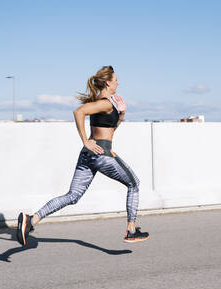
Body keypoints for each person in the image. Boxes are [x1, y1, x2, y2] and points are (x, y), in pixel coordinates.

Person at [16, 65, 149, 246]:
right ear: (108, 82)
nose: (118, 83)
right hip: (101, 153)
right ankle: (131, 230)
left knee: (73, 195)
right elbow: (78, 112)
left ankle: (31, 220)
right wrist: (85, 140)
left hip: (88, 156)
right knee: (134, 183)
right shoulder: (105, 103)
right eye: (116, 80)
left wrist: (122, 114)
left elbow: (110, 130)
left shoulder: (105, 103)